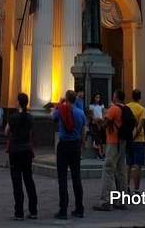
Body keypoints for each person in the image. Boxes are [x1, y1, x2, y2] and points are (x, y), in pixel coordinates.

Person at [52, 89, 86, 220]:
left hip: (64, 146)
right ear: (75, 99)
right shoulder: (81, 113)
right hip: (75, 146)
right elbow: (83, 130)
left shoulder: (61, 110)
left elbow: (52, 117)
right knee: (76, 177)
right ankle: (79, 208)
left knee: (62, 178)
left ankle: (63, 210)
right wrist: (81, 144)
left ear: (66, 99)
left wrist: (59, 105)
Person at [93, 90, 129, 212]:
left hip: (113, 142)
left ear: (116, 97)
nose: (112, 97)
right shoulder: (126, 108)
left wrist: (98, 121)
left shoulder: (114, 109)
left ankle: (105, 201)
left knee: (108, 171)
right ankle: (122, 200)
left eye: (113, 95)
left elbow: (104, 124)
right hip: (122, 142)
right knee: (121, 171)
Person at [5, 92, 38, 221]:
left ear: (18, 102)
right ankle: (33, 210)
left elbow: (7, 131)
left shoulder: (13, 117)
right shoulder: (30, 117)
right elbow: (31, 132)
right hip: (26, 151)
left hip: (15, 151)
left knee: (17, 181)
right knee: (29, 180)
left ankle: (19, 212)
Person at [125, 88, 145, 194]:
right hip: (139, 139)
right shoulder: (141, 109)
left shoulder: (127, 107)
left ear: (132, 96)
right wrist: (134, 136)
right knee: (137, 165)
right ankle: (136, 189)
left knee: (128, 164)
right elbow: (140, 125)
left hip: (128, 138)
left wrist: (129, 137)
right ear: (140, 97)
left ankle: (126, 186)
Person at [89, 93, 105, 159]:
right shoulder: (91, 106)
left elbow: (103, 114)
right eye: (96, 97)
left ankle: (102, 152)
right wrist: (96, 120)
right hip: (94, 123)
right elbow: (92, 115)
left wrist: (101, 120)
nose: (97, 99)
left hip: (101, 122)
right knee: (96, 138)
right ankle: (99, 153)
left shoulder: (101, 105)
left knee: (101, 138)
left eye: (98, 97)